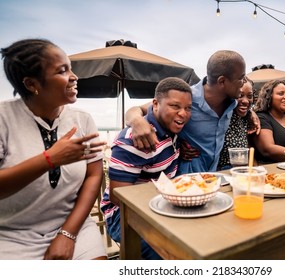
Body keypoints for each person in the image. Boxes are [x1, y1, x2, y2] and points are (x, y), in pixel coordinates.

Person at [0, 39, 107, 260]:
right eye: (62, 70)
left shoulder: (82, 120)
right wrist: (50, 159)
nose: (74, 76)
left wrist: (68, 234)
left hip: (73, 223)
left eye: (71, 67)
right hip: (10, 234)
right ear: (32, 84)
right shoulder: (3, 119)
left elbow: (94, 175)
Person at [100, 77, 193, 260]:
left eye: (188, 108)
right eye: (175, 106)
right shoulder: (135, 140)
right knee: (177, 254)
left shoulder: (171, 130)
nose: (183, 113)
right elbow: (119, 197)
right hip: (122, 215)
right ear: (155, 105)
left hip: (160, 204)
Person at [125, 50, 259, 175]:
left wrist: (252, 114)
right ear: (222, 81)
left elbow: (244, 108)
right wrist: (137, 121)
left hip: (213, 178)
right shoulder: (187, 99)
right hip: (185, 181)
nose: (243, 83)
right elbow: (138, 110)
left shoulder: (232, 103)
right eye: (241, 78)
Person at [217, 77, 254, 170]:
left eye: (249, 96)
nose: (245, 101)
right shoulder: (219, 116)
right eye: (240, 95)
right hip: (220, 174)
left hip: (241, 172)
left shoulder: (246, 118)